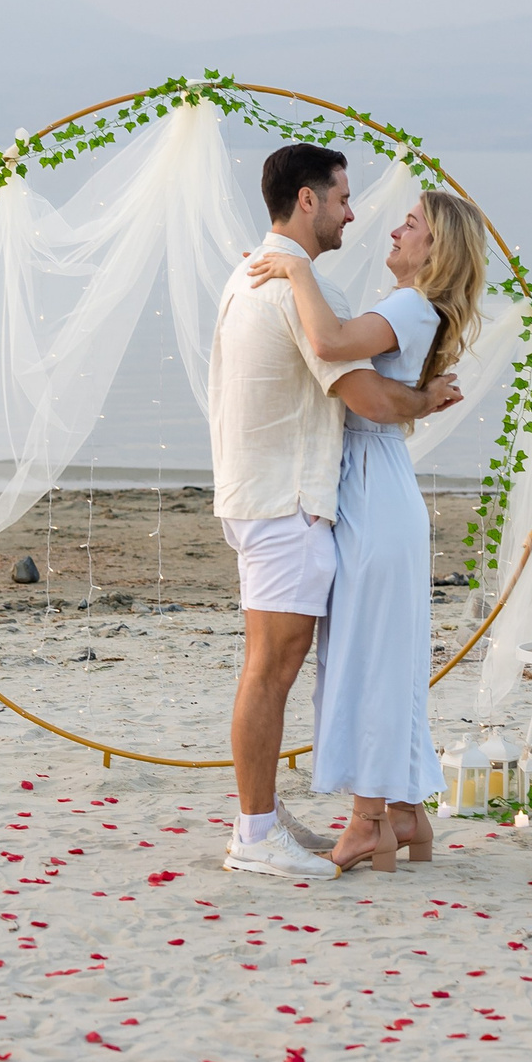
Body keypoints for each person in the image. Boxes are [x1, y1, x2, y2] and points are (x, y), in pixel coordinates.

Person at [209, 144, 462, 880]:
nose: (358, 212)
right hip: (284, 500)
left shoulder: (255, 272)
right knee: (274, 666)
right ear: (308, 200)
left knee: (286, 663)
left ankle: (277, 817)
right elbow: (371, 400)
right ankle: (257, 831)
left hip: (272, 494)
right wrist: (425, 400)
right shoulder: (290, 286)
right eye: (344, 197)